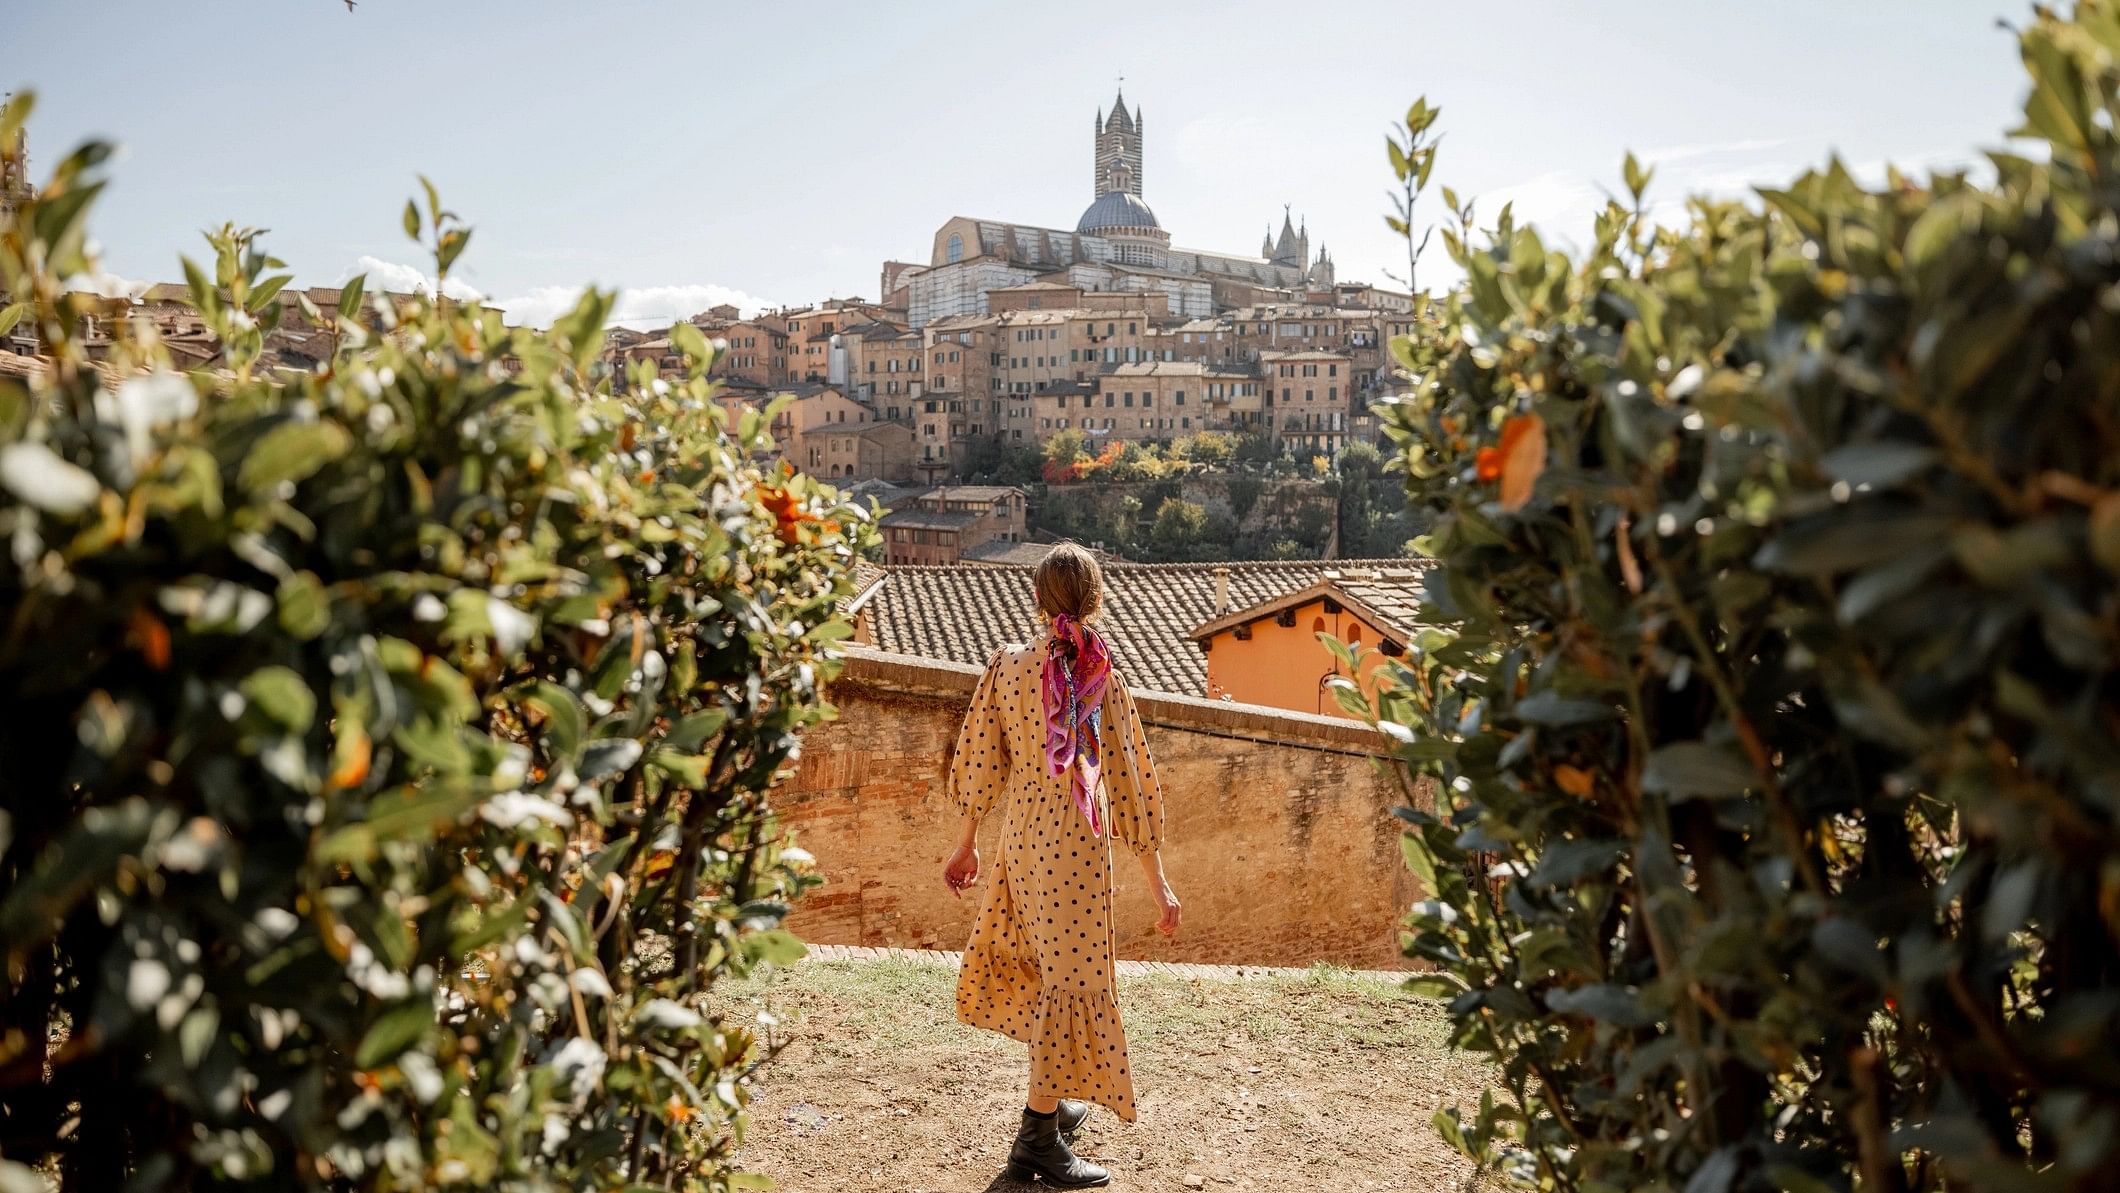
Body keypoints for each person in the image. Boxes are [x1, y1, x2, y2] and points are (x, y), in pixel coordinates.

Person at [941, 542, 1182, 1189]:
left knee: (1048, 973)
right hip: (1075, 858)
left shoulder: (1007, 666)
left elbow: (981, 760)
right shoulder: (1101, 675)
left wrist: (967, 843)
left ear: (1037, 599)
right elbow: (1130, 783)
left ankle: (1053, 1096)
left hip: (1023, 846)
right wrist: (1159, 882)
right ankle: (1037, 1141)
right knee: (1069, 983)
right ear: (1094, 600)